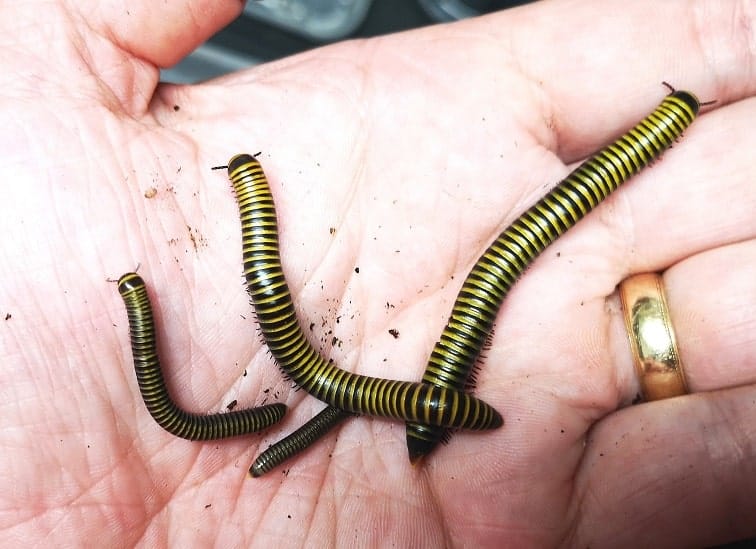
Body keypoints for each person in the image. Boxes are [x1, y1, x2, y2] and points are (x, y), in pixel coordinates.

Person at [1, 0, 754, 546]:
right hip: (369, 404)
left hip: (385, 404)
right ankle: (425, 419)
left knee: (497, 270)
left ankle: (425, 420)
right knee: (492, 274)